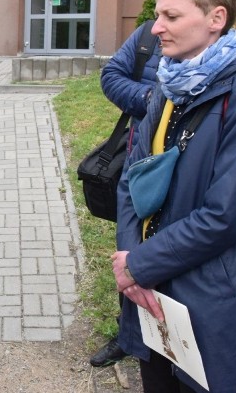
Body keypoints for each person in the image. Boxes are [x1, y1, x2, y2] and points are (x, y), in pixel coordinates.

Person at [111, 0, 236, 392]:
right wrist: (132, 265)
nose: (155, 28)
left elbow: (224, 216)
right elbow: (132, 180)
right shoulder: (167, 88)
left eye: (171, 16)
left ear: (216, 18)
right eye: (157, 15)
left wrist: (140, 264)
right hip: (153, 291)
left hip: (213, 300)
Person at [89, 22, 160, 368]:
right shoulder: (148, 35)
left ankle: (170, 339)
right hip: (139, 157)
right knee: (129, 244)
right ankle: (129, 333)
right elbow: (112, 75)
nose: (161, 25)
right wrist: (150, 99)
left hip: (186, 166)